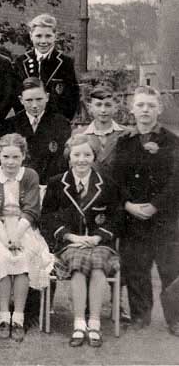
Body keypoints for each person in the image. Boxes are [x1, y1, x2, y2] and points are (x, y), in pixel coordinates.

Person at [41, 135, 122, 348]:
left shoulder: (107, 184)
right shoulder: (57, 182)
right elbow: (48, 216)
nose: (82, 160)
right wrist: (70, 236)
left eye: (87, 154)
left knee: (97, 267)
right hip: (70, 244)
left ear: (94, 157)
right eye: (77, 155)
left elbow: (116, 217)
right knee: (77, 266)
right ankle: (79, 323)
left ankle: (94, 323)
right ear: (69, 157)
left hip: (99, 243)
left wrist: (97, 237)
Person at [109, 86, 179, 334]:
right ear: (132, 109)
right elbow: (115, 179)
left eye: (151, 105)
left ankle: (175, 319)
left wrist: (156, 205)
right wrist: (128, 205)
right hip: (133, 218)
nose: (145, 110)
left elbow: (176, 180)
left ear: (159, 109)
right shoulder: (124, 142)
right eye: (140, 105)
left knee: (170, 269)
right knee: (136, 268)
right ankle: (140, 316)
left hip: (165, 218)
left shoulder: (171, 141)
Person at [0, 133, 54, 342]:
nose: (10, 162)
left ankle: (18, 318)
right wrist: (6, 238)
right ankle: (3, 318)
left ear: (23, 156)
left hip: (24, 228)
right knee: (2, 256)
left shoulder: (30, 176)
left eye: (15, 157)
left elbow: (32, 209)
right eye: (6, 156)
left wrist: (17, 235)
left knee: (23, 257)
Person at [13, 14, 80, 121]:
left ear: (55, 36)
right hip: (27, 123)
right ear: (31, 36)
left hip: (56, 124)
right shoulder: (20, 62)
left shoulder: (65, 62)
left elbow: (72, 97)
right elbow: (16, 95)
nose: (43, 41)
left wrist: (62, 122)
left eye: (48, 36)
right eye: (38, 36)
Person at [4, 77, 71, 182]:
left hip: (51, 183)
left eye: (39, 99)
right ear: (21, 100)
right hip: (20, 182)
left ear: (47, 97)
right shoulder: (10, 125)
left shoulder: (61, 123)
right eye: (29, 100)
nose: (34, 105)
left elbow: (61, 160)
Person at [76, 84, 125, 179]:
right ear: (90, 107)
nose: (103, 110)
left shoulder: (126, 134)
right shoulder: (79, 134)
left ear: (115, 107)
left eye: (108, 105)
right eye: (98, 105)